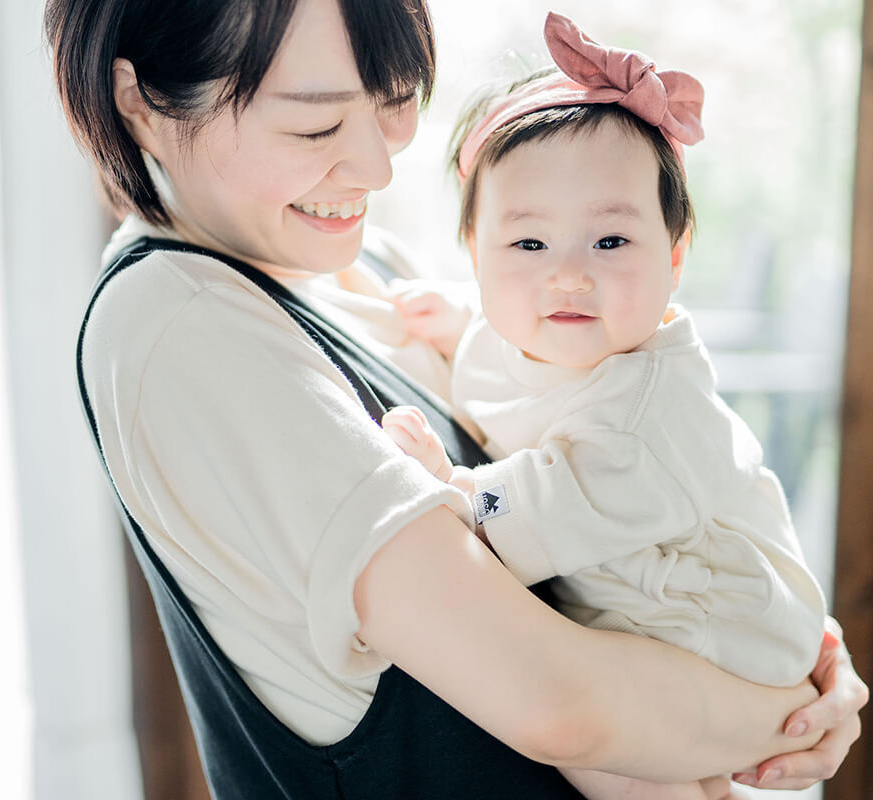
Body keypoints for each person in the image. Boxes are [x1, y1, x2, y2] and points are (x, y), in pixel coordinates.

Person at [51, 0, 868, 797]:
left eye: (395, 99)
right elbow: (559, 704)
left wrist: (795, 657)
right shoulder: (184, 327)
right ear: (145, 106)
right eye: (315, 125)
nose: (377, 166)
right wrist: (790, 712)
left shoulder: (360, 264)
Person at [380, 12, 829, 799]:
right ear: (478, 256)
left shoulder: (648, 410)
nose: (568, 277)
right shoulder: (528, 329)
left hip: (719, 627)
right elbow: (503, 343)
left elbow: (551, 505)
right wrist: (454, 327)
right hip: (642, 590)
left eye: (611, 243)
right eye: (527, 245)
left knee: (595, 741)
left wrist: (451, 490)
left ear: (676, 257)